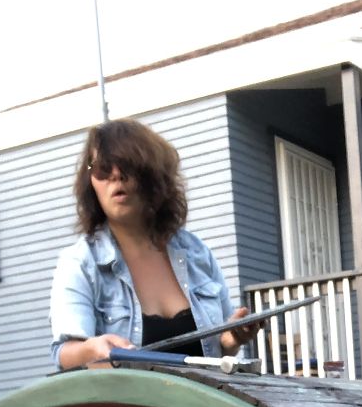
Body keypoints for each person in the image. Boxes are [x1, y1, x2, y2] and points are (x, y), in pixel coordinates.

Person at [50, 118, 259, 370]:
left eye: (127, 165)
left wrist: (233, 337)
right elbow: (63, 353)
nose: (116, 175)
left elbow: (221, 345)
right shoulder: (79, 263)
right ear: (90, 181)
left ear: (152, 175)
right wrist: (91, 349)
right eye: (103, 168)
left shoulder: (196, 252)